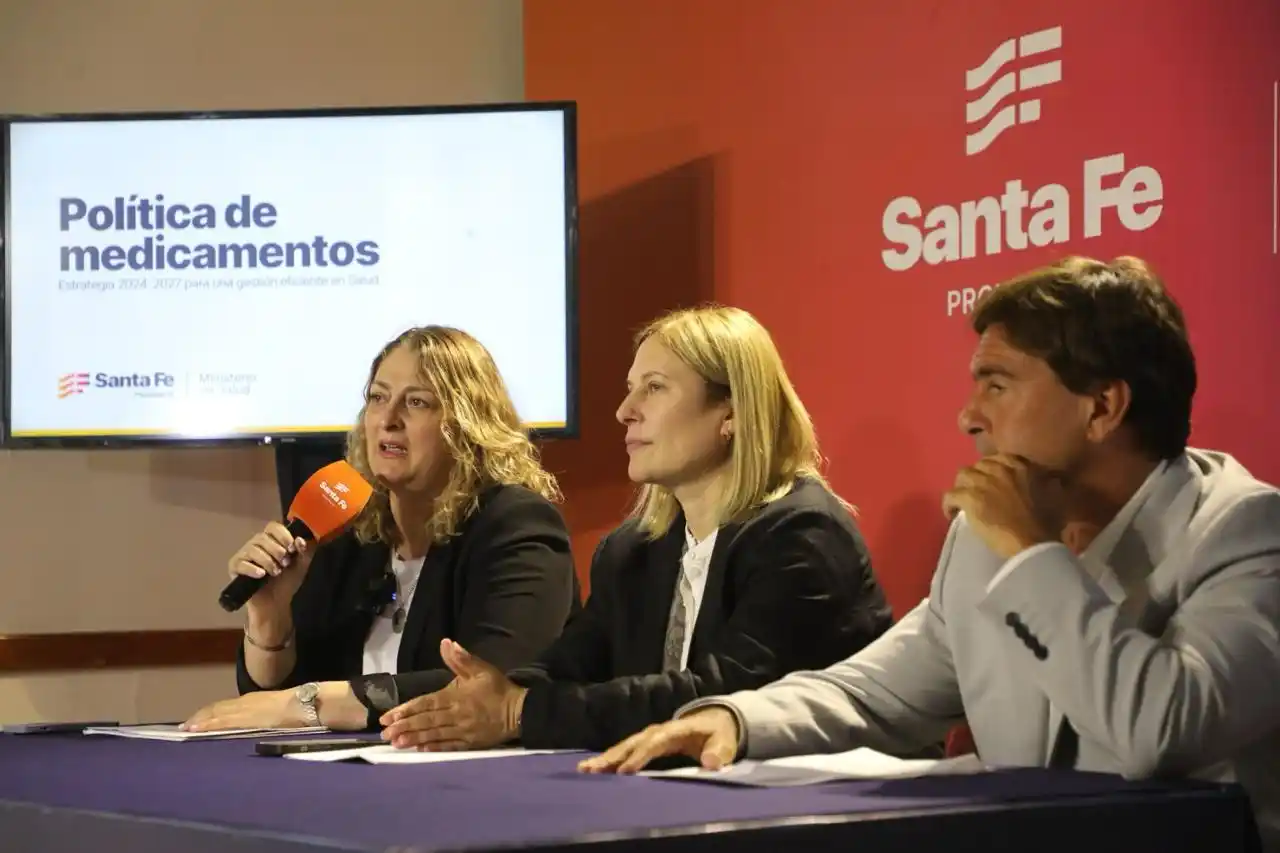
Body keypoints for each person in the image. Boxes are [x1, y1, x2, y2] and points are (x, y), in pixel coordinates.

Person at [579, 257, 1280, 850]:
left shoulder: (1246, 530)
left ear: (1102, 408)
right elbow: (875, 690)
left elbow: (1162, 729)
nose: (969, 414)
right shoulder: (987, 539)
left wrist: (1032, 553)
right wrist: (735, 717)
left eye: (998, 384)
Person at [376, 305, 893, 752]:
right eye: (630, 390)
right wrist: (489, 693)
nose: (625, 411)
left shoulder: (801, 535)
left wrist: (518, 711)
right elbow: (569, 665)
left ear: (730, 413)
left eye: (655, 388)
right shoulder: (632, 551)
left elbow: (723, 696)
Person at [182, 326, 579, 733]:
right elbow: (272, 698)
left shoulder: (515, 525)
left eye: (417, 402)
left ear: (468, 426)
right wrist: (270, 617)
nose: (388, 420)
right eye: (378, 398)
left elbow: (492, 684)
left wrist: (309, 702)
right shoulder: (351, 536)